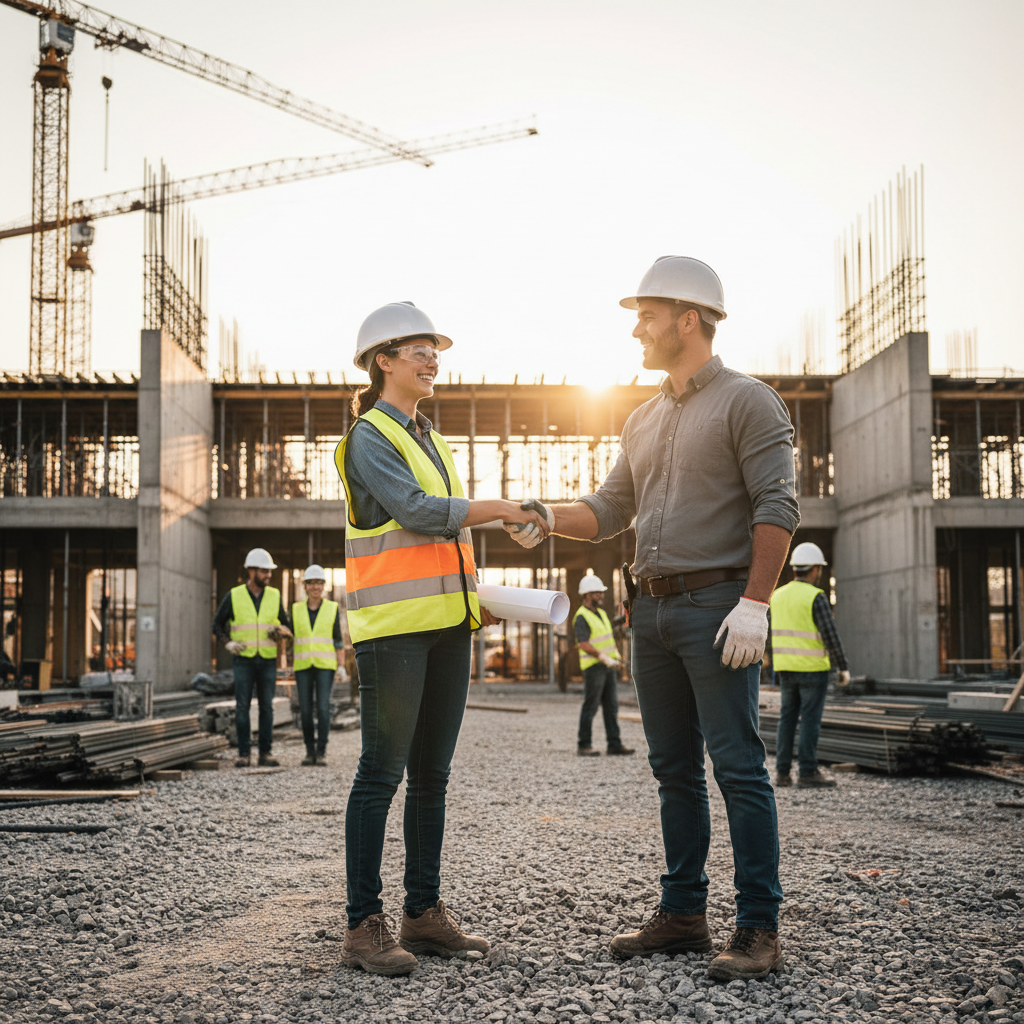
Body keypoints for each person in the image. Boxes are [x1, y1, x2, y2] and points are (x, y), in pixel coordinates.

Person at [508, 257, 800, 981]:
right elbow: (610, 509)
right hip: (652, 612)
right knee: (673, 770)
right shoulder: (642, 417)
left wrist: (755, 603)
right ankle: (684, 915)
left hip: (716, 609)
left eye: (647, 317)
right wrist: (545, 516)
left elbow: (777, 505)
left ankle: (758, 928)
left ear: (688, 320)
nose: (636, 330)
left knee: (737, 766)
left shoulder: (749, 402)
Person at [334, 301, 551, 976]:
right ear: (383, 361)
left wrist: (477, 581)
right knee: (381, 774)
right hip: (395, 634)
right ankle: (362, 926)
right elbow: (420, 513)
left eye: (437, 351)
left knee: (432, 776)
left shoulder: (432, 438)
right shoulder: (370, 436)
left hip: (449, 627)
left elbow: (444, 539)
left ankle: (423, 914)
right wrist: (500, 507)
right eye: (420, 351)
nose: (433, 361)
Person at [769, 542, 851, 788]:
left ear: (795, 568)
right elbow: (830, 634)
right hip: (812, 670)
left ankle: (782, 773)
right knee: (809, 721)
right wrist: (842, 666)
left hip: (785, 669)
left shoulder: (777, 596)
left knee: (787, 719)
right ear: (815, 569)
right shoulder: (815, 596)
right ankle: (807, 772)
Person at [211, 547, 293, 768]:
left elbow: (287, 625)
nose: (268, 575)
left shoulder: (274, 596)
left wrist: (281, 631)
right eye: (264, 571)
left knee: (266, 707)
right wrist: (228, 643)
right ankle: (244, 754)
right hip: (243, 660)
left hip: (267, 659)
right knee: (242, 707)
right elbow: (217, 624)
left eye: (269, 571)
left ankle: (265, 753)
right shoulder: (234, 595)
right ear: (251, 571)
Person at [573, 574, 634, 757]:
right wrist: (603, 657)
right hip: (594, 666)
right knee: (591, 706)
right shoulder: (581, 616)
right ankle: (584, 745)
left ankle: (614, 744)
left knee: (611, 706)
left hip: (607, 667)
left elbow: (606, 637)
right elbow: (583, 644)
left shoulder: (600, 614)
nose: (601, 595)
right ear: (587, 594)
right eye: (597, 593)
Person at [292, 564, 343, 767]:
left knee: (323, 708)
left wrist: (341, 665)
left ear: (324, 586)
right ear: (305, 586)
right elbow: (289, 635)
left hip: (325, 665)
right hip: (303, 664)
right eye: (312, 583)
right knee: (305, 710)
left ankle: (321, 752)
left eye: (319, 583)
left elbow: (338, 639)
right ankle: (309, 752)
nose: (316, 586)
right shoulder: (295, 609)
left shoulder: (332, 608)